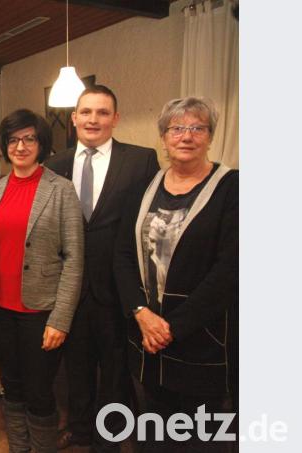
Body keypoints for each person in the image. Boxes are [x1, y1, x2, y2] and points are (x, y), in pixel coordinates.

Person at [114, 97, 237, 452]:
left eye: (197, 128)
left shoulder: (234, 188)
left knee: (204, 439)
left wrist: (170, 327)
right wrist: (141, 313)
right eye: (177, 128)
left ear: (210, 136)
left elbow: (230, 270)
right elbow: (121, 256)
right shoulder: (143, 188)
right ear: (164, 137)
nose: (187, 136)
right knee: (154, 436)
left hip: (204, 340)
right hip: (146, 338)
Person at [44, 85, 160, 451]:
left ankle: (108, 437)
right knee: (75, 369)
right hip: (70, 289)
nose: (94, 119)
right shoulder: (54, 166)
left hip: (117, 288)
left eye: (103, 112)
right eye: (87, 112)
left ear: (116, 118)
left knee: (115, 371)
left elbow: (150, 224)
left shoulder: (141, 160)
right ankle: (79, 430)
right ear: (74, 117)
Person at [0, 109, 84, 453]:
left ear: (41, 143)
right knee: (13, 388)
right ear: (5, 146)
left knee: (39, 391)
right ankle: (19, 447)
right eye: (13, 139)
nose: (21, 146)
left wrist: (60, 319)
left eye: (29, 138)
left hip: (41, 312)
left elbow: (74, 258)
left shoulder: (61, 190)